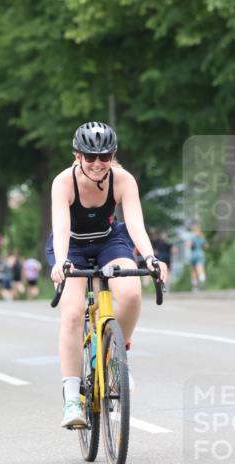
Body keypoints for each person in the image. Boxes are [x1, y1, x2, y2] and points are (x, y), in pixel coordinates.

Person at [48, 121, 168, 429]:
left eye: (105, 156)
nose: (98, 164)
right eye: (90, 157)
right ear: (77, 156)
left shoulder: (123, 180)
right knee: (74, 313)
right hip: (72, 245)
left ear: (112, 155)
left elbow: (135, 224)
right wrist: (61, 262)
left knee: (130, 293)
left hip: (108, 240)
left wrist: (152, 257)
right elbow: (61, 228)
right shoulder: (63, 183)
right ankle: (73, 398)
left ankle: (117, 355)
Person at [187, 224, 207, 290]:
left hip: (193, 254)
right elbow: (205, 246)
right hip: (200, 253)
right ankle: (202, 283)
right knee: (200, 268)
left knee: (193, 271)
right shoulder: (202, 237)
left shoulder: (192, 237)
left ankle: (195, 286)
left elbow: (188, 245)